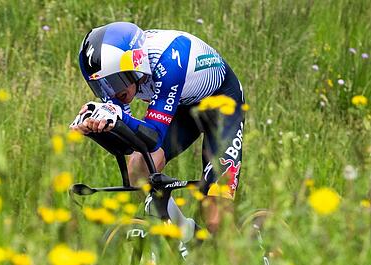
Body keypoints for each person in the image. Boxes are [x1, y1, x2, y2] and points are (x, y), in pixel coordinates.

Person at [70, 22, 244, 234]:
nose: (111, 93)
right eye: (102, 86)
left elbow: (153, 138)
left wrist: (118, 116)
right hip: (181, 105)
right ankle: (187, 237)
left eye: (114, 82)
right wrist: (96, 128)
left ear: (136, 64)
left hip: (223, 105)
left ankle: (253, 255)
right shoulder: (122, 73)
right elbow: (129, 144)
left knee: (216, 218)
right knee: (138, 168)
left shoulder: (169, 60)